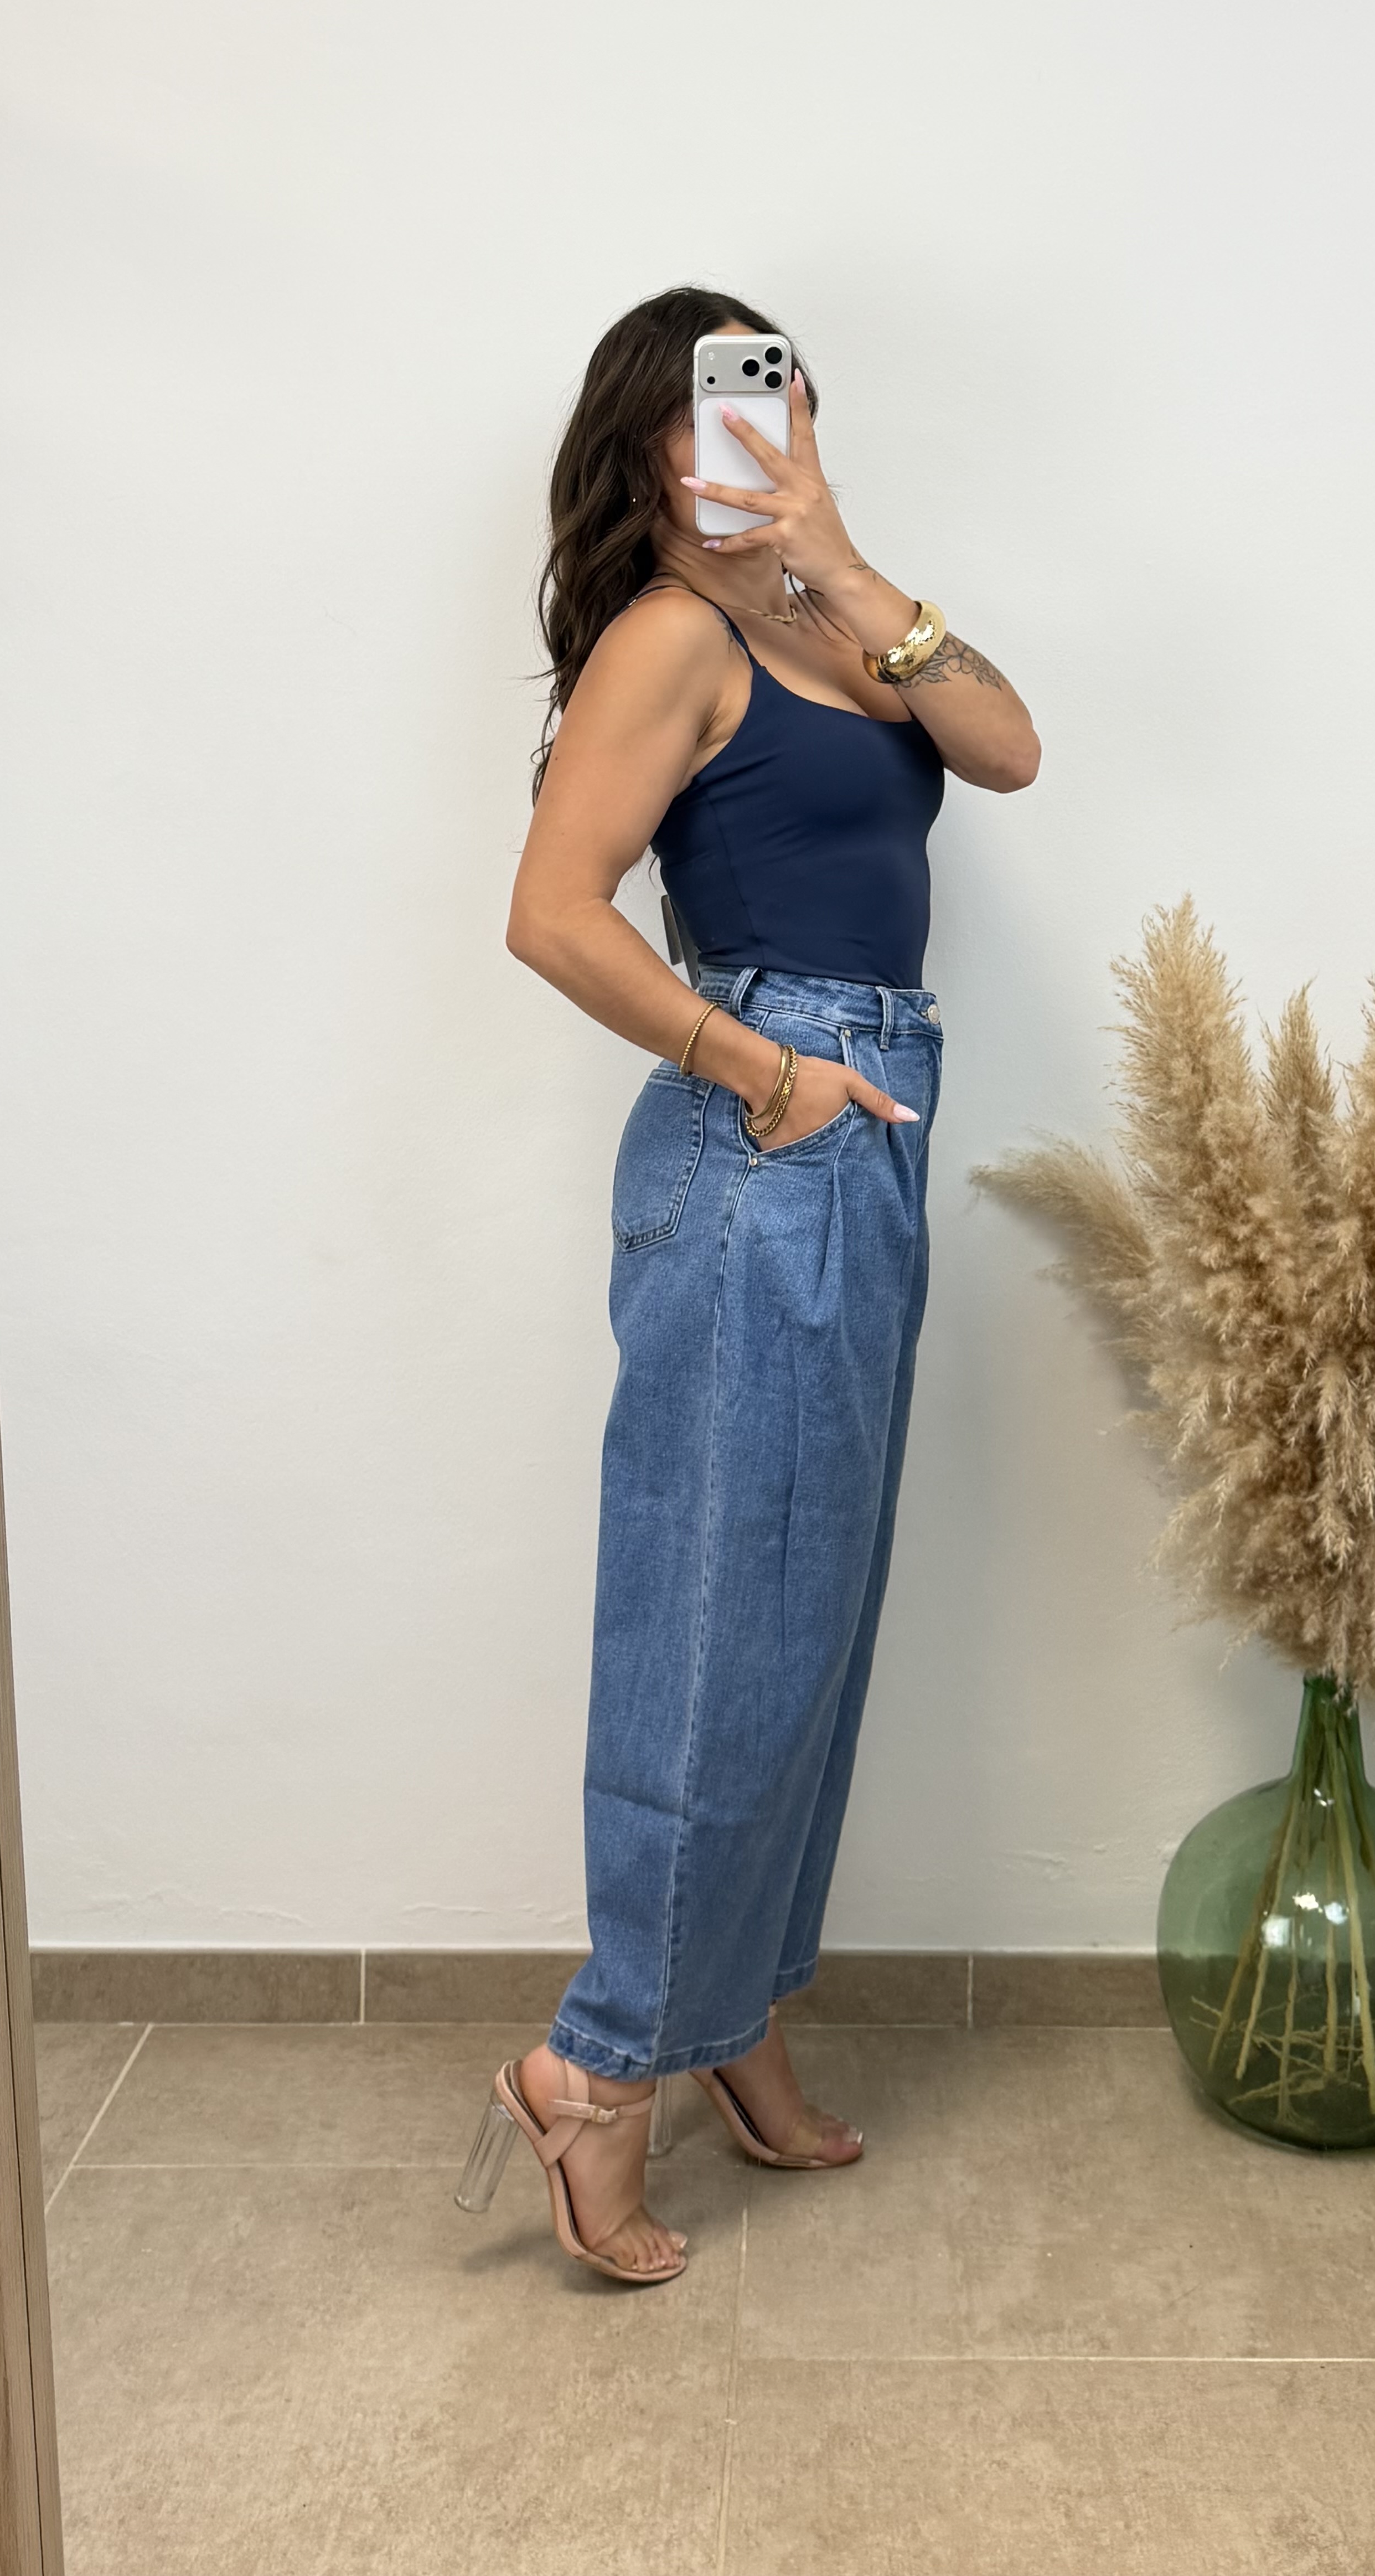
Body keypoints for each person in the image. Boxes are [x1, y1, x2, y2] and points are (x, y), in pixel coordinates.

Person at [459, 286, 1039, 2283]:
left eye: (786, 402)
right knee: (718, 1617)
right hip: (769, 1126)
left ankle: (735, 2021)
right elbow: (553, 913)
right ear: (650, 441)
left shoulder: (825, 616)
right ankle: (599, 2069)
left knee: (810, 1622)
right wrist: (765, 1073)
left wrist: (837, 553)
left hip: (865, 1118)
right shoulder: (671, 637)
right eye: (724, 409)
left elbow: (1009, 747)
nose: (759, 435)